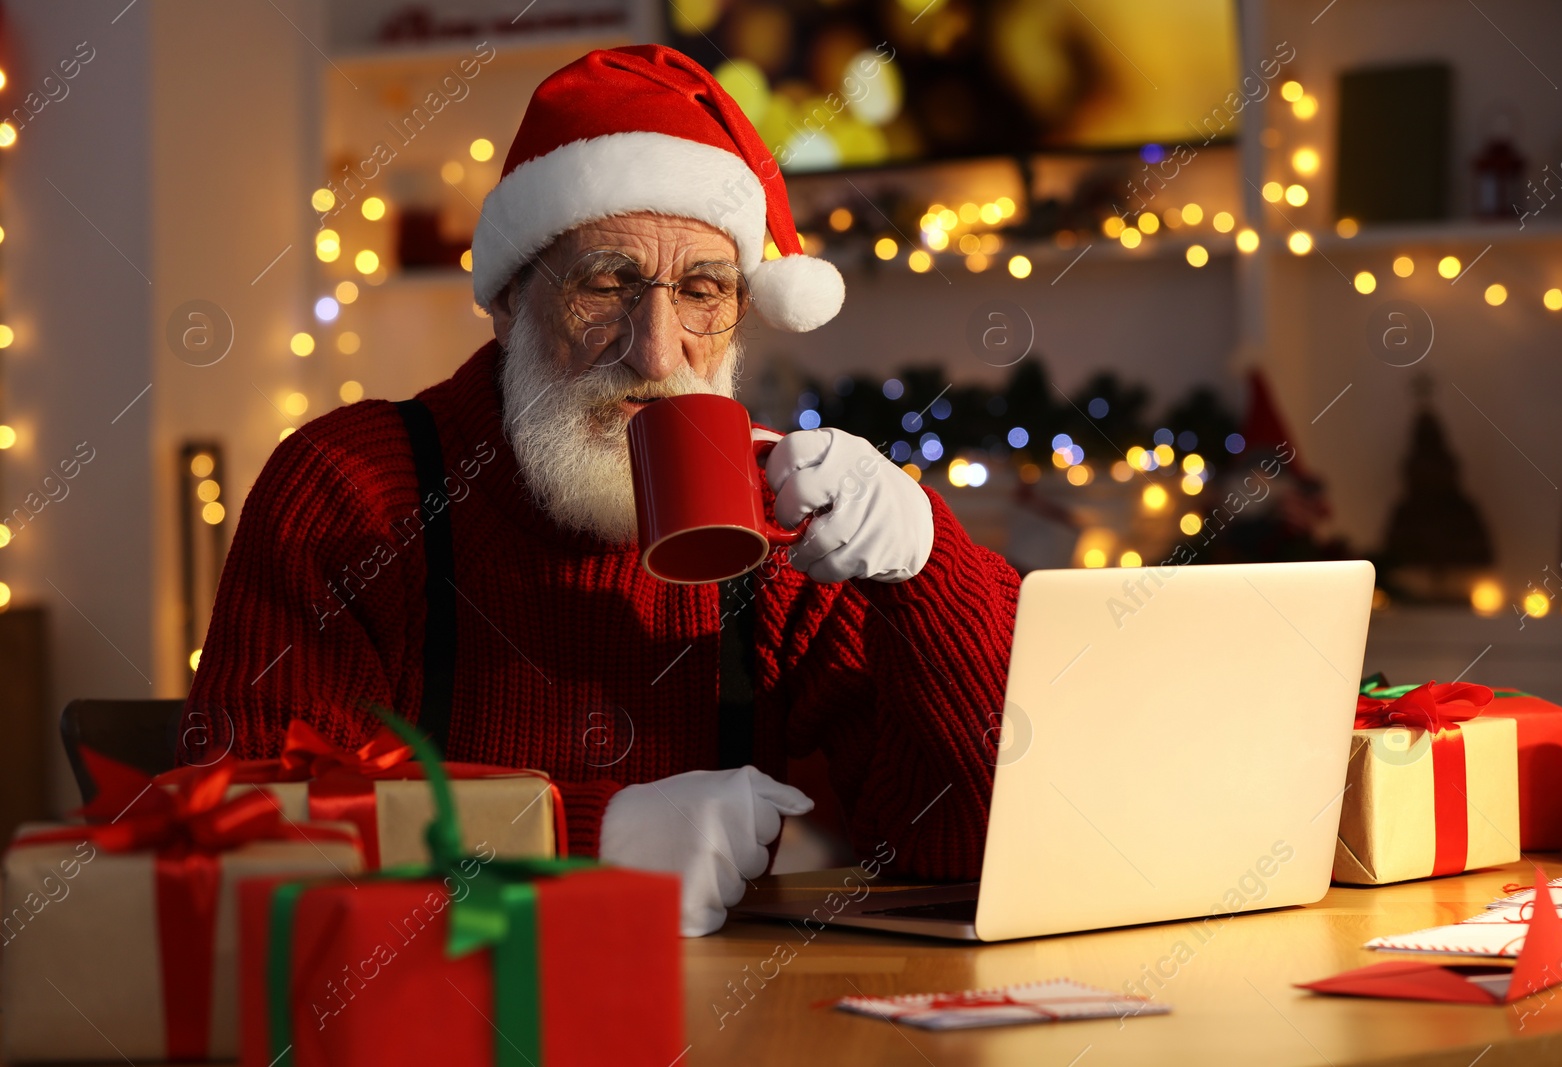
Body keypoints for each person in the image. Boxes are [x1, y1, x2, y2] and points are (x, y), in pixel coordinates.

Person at [186, 45, 1019, 935]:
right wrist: (572, 840)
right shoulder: (353, 488)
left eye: (704, 290)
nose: (657, 355)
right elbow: (241, 833)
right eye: (607, 282)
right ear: (509, 299)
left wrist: (927, 572)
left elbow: (965, 848)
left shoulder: (781, 525)